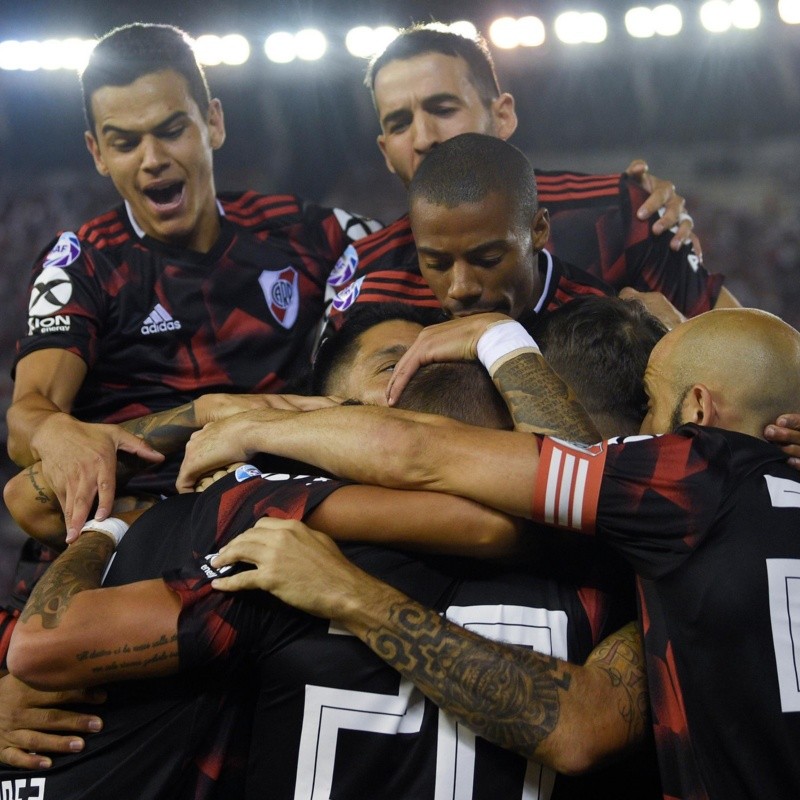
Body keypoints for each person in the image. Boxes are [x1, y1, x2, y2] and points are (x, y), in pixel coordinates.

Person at [4, 303, 652, 798]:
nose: (419, 369)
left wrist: (225, 422)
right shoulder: (266, 512)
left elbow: (540, 509)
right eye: (390, 364)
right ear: (328, 410)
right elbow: (36, 500)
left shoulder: (287, 534)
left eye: (430, 355)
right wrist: (212, 414)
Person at [181, 306, 800, 800]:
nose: (635, 429)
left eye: (648, 404)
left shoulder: (688, 477)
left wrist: (248, 429)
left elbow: (420, 453)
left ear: (697, 410)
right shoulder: (675, 561)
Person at [0, 21, 384, 767]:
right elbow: (29, 415)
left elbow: (450, 241)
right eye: (124, 140)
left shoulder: (314, 237)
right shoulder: (84, 260)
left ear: (213, 120)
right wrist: (54, 428)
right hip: (126, 563)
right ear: (97, 153)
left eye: (171, 128)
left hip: (263, 552)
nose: (152, 159)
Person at [323, 23, 738, 334]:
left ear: (502, 116)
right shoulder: (366, 271)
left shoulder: (619, 216)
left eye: (443, 108)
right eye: (398, 123)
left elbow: (746, 353)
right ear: (384, 153)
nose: (423, 138)